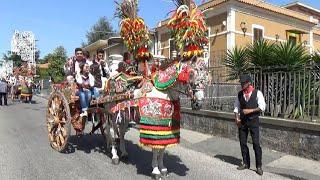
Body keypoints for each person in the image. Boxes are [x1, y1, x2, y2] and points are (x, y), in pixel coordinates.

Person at [234, 74, 266, 176]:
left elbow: (262, 107)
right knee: (243, 143)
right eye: (241, 83)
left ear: (249, 83)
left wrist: (250, 110)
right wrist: (237, 119)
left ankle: (259, 166)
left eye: (243, 83)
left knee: (256, 144)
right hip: (243, 122)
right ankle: (246, 163)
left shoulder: (257, 93)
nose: (241, 84)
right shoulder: (240, 94)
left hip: (253, 121)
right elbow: (236, 107)